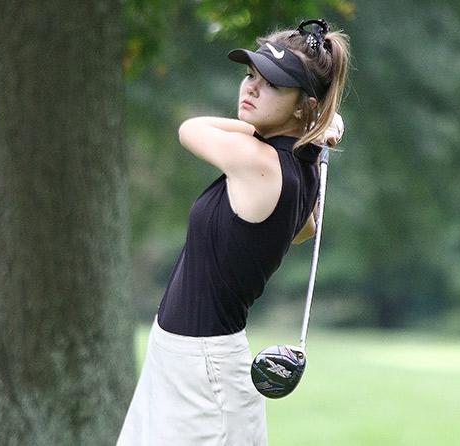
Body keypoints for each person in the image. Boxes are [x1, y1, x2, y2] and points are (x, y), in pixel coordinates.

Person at [117, 19, 350, 446]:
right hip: (188, 358)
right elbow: (304, 229)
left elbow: (191, 130)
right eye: (250, 76)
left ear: (304, 105)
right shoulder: (297, 169)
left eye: (272, 85)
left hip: (203, 370)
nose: (250, 89)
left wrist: (312, 132)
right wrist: (311, 135)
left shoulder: (259, 160)